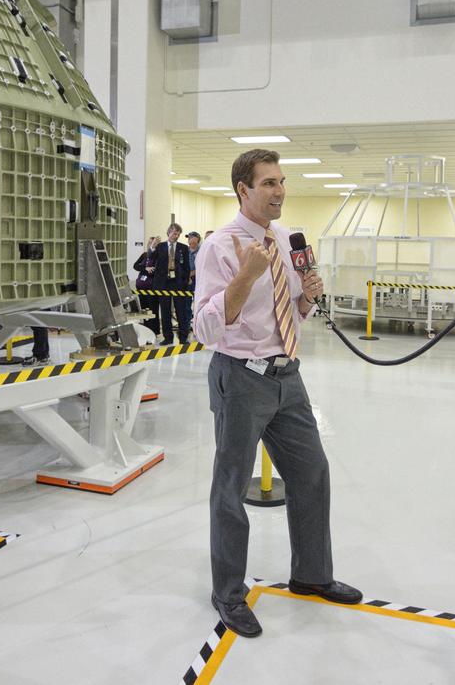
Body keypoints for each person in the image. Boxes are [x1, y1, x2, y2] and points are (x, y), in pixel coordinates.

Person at [193, 148, 361, 639]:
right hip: (240, 377)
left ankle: (311, 574)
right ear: (243, 190)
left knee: (312, 474)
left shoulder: (286, 240)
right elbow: (204, 330)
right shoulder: (221, 248)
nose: (280, 191)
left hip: (288, 376)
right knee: (230, 487)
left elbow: (289, 312)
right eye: (268, 183)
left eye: (282, 181)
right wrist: (244, 278)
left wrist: (307, 297)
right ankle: (228, 592)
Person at [153, 223, 192, 345]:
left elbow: (186, 266)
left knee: (181, 311)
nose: (177, 236)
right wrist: (152, 247)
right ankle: (168, 337)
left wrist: (185, 281)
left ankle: (183, 337)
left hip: (178, 283)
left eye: (178, 234)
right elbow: (151, 258)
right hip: (163, 283)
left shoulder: (183, 248)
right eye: (175, 233)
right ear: (169, 232)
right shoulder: (160, 247)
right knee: (165, 312)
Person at [133, 237, 161, 336]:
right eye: (149, 243)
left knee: (153, 309)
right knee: (144, 310)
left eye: (153, 244)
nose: (150, 245)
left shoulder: (159, 256)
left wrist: (151, 269)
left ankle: (155, 331)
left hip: (152, 287)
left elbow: (159, 269)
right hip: (141, 288)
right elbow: (136, 266)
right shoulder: (144, 255)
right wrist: (145, 268)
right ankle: (146, 329)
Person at [186, 231, 202, 321]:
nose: (192, 244)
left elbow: (202, 266)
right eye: (190, 241)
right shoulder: (185, 250)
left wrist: (191, 274)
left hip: (199, 279)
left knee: (199, 303)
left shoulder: (202, 251)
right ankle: (187, 323)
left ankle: (198, 322)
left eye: (194, 243)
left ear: (198, 241)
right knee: (187, 304)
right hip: (187, 280)